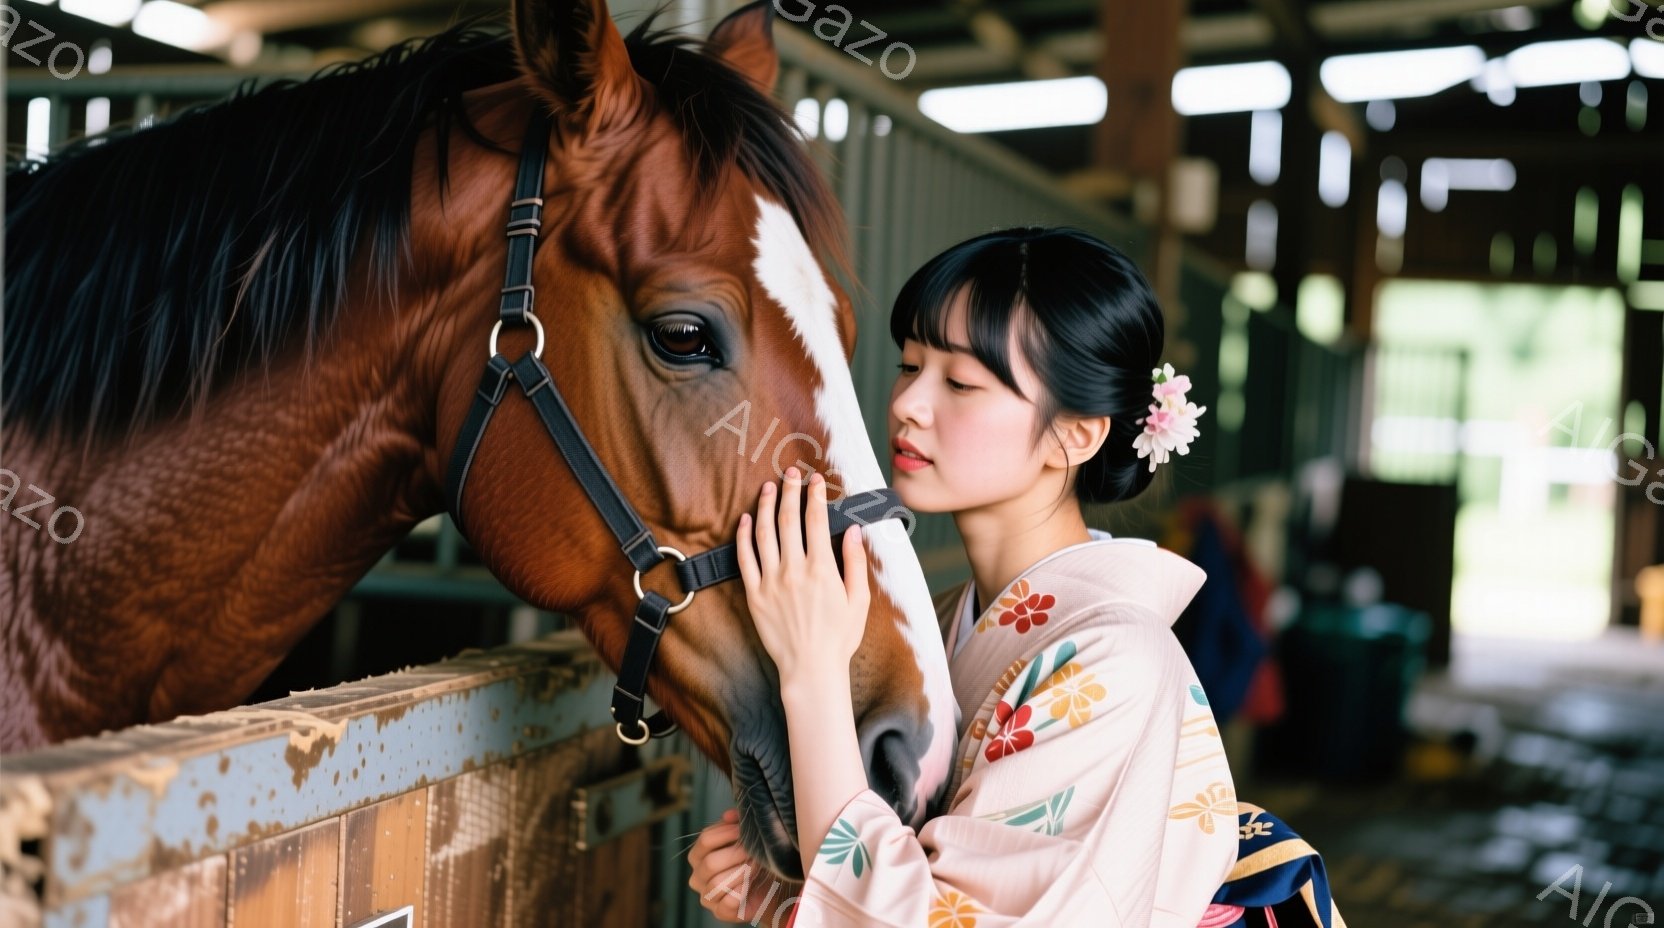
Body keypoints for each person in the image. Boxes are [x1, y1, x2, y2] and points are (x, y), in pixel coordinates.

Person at [689, 227, 1343, 927]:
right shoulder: (944, 623)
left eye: (962, 382)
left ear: (1077, 434)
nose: (908, 403)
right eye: (911, 365)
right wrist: (782, 895)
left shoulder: (1120, 664)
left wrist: (812, 675)